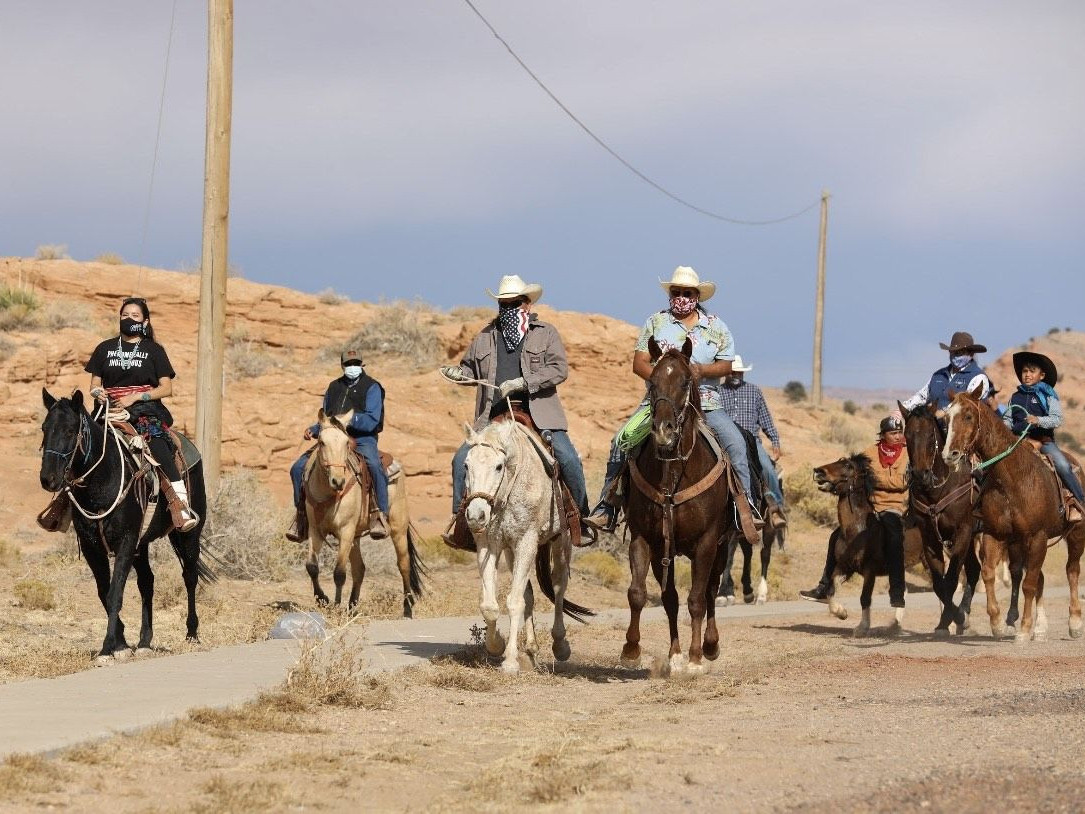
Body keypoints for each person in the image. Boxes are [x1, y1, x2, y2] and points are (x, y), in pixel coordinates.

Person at [583, 265, 761, 545]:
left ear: (697, 295)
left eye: (686, 293)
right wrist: (662, 382)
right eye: (676, 292)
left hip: (707, 405)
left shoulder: (716, 326)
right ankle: (607, 507)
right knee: (621, 440)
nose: (680, 297)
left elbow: (726, 364)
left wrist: (701, 371)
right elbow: (639, 362)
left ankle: (745, 509)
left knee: (737, 444)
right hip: (660, 403)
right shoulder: (655, 322)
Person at [439, 274, 590, 535]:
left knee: (567, 459)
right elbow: (469, 369)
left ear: (527, 304)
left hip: (538, 415)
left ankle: (580, 519)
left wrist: (524, 382)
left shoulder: (546, 334)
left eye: (514, 303)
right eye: (504, 304)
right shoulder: (485, 337)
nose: (508, 309)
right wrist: (458, 374)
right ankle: (461, 523)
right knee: (460, 460)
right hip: (493, 417)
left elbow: (559, 369)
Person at [85, 297, 198, 532]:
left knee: (158, 446)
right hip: (109, 410)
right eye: (125, 315)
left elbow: (166, 388)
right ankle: (64, 506)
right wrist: (99, 393)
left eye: (135, 316)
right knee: (81, 444)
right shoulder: (104, 348)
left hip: (144, 411)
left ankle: (180, 504)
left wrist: (137, 397)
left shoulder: (154, 350)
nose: (129, 319)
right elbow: (94, 384)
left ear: (145, 321)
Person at [799, 414, 910, 607]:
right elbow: (853, 470)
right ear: (883, 435)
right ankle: (825, 587)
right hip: (871, 504)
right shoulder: (870, 452)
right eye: (893, 433)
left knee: (894, 535)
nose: (898, 436)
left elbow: (903, 482)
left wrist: (875, 479)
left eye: (899, 432)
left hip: (894, 506)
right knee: (836, 536)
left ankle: (897, 590)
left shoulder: (908, 454)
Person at [286, 349, 390, 542]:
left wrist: (347, 421)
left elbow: (372, 420)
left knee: (374, 466)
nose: (352, 367)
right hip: (332, 438)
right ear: (343, 366)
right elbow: (327, 418)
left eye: (356, 364)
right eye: (349, 364)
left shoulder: (373, 387)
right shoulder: (333, 387)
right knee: (297, 468)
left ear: (362, 365)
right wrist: (315, 429)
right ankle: (301, 516)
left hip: (363, 438)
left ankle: (380, 515)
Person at [1005, 351, 1084, 513]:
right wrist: (1004, 428)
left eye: (1032, 371)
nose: (1027, 375)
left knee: (1062, 465)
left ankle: (1080, 501)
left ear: (1041, 375)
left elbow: (1057, 419)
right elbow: (1007, 420)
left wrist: (1038, 420)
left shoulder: (1048, 395)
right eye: (1024, 371)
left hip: (1044, 442)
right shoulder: (1015, 397)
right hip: (1018, 442)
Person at [718, 354, 787, 530]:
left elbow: (765, 418)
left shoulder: (754, 391)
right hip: (724, 441)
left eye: (739, 372)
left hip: (752, 442)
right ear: (727, 372)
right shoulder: (717, 392)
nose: (735, 375)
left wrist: (775, 441)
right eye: (732, 372)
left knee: (767, 467)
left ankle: (775, 508)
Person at [901, 331, 993, 414]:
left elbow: (967, 405)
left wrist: (943, 413)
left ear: (971, 354)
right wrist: (901, 409)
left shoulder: (978, 377)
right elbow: (922, 396)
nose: (955, 356)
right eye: (953, 352)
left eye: (960, 352)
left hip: (962, 430)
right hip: (935, 429)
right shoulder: (938, 375)